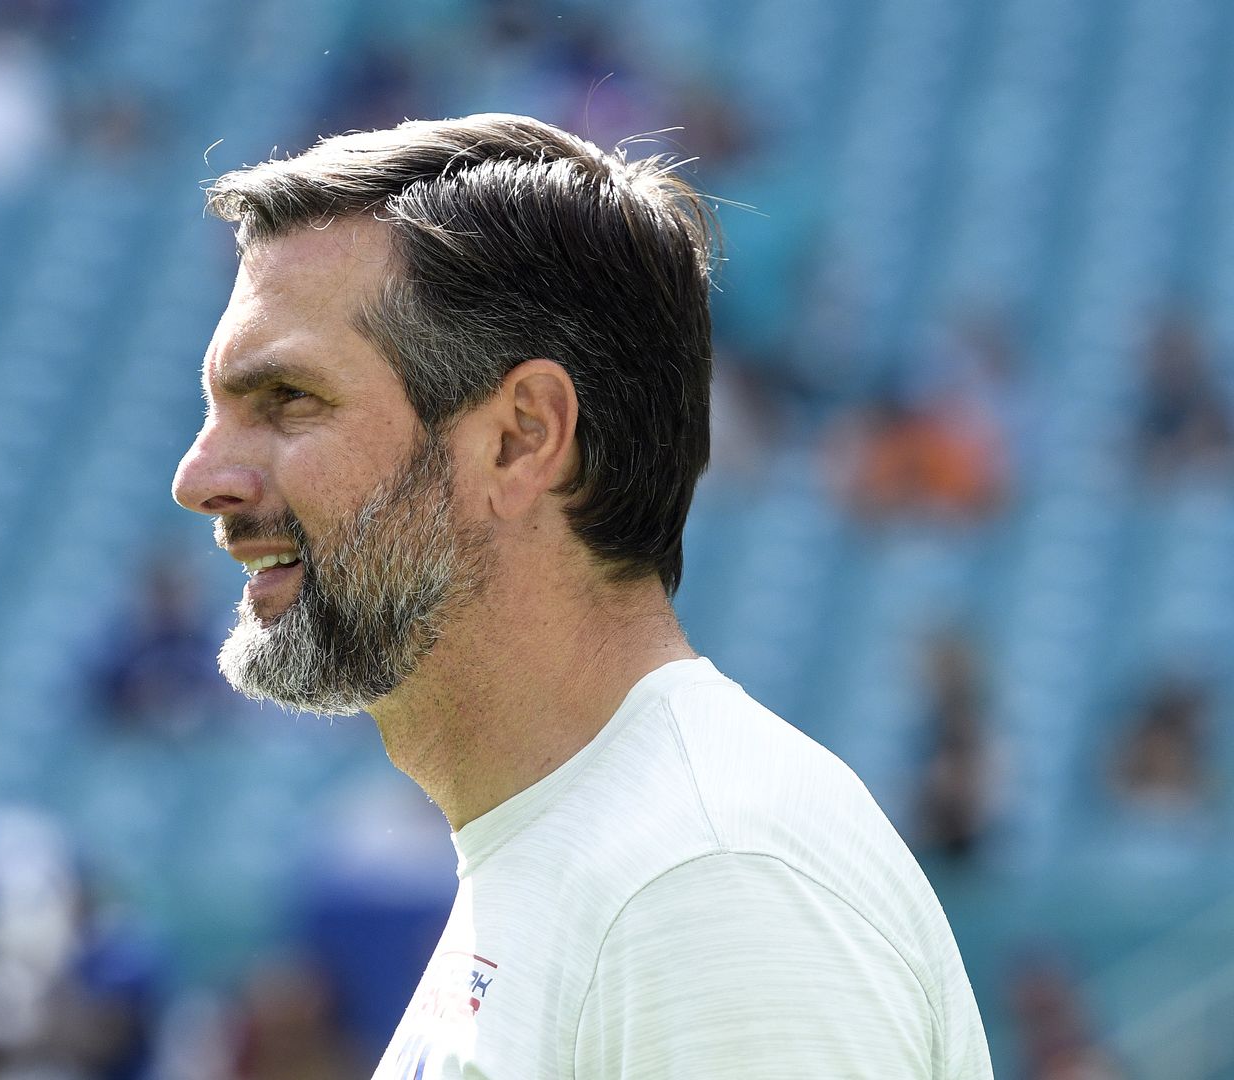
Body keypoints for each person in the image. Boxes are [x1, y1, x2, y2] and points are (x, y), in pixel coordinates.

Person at [172, 114, 993, 1077]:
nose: (200, 476)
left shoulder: (706, 886)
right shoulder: (594, 844)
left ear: (523, 438)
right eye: (216, 410)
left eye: (289, 400)